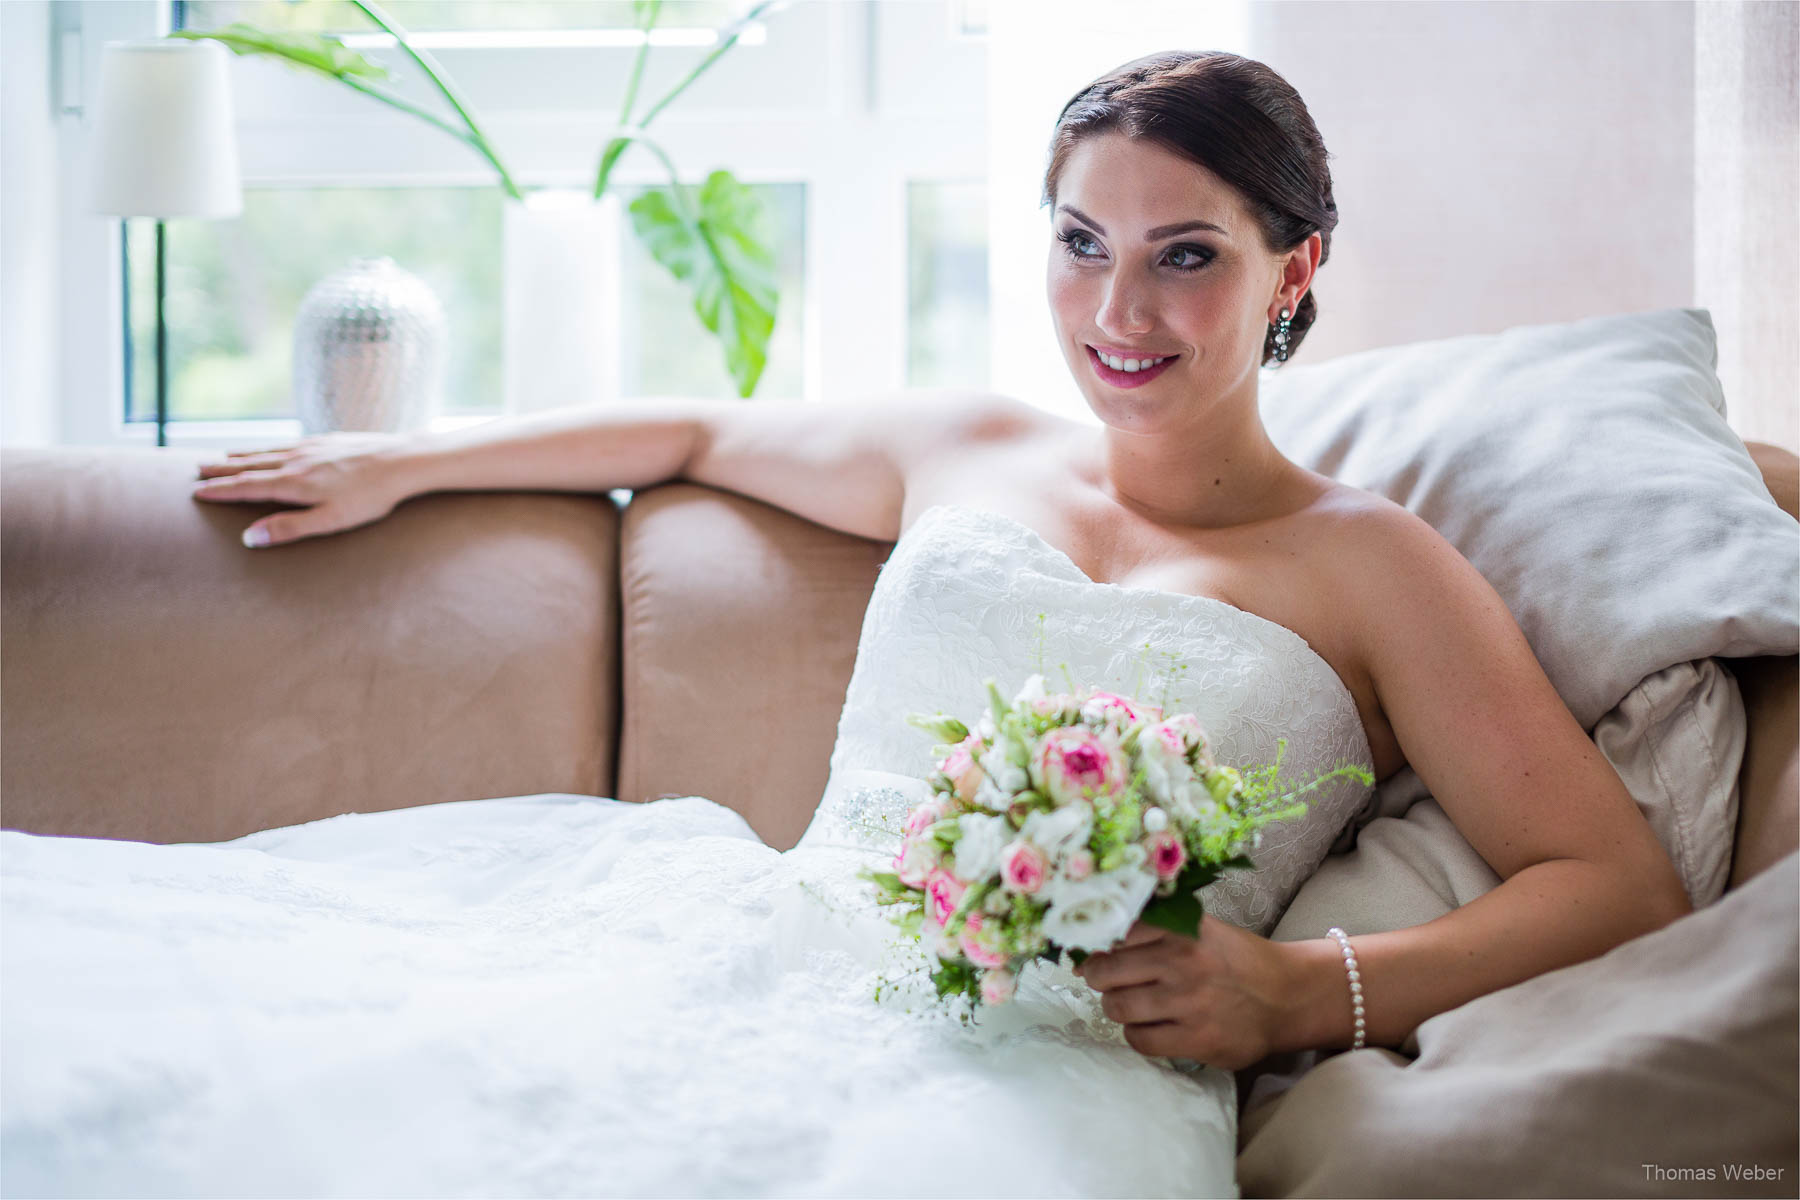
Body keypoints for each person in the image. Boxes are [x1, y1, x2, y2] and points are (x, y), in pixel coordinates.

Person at [10, 51, 1691, 1196]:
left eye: (1185, 255)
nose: (1115, 310)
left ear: (1293, 271)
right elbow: (684, 432)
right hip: (758, 949)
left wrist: (1296, 993)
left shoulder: (1374, 565)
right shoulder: (969, 444)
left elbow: (1616, 879)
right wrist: (403, 461)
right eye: (1079, 241)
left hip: (1070, 1068)